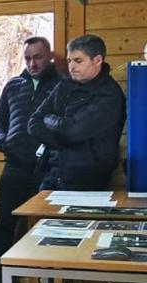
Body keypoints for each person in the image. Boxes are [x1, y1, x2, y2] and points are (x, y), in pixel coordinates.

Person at [0, 37, 61, 283]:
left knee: (48, 225)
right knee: (4, 224)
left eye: (38, 57)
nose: (32, 63)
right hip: (14, 166)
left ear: (50, 57)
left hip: (47, 168)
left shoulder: (62, 86)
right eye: (28, 58)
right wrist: (3, 143)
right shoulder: (13, 86)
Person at [28, 33, 127, 192]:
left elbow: (72, 131)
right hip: (52, 171)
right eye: (69, 61)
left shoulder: (109, 94)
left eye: (78, 61)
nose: (71, 67)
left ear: (97, 60)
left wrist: (50, 119)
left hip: (87, 179)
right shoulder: (65, 85)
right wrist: (63, 140)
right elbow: (33, 123)